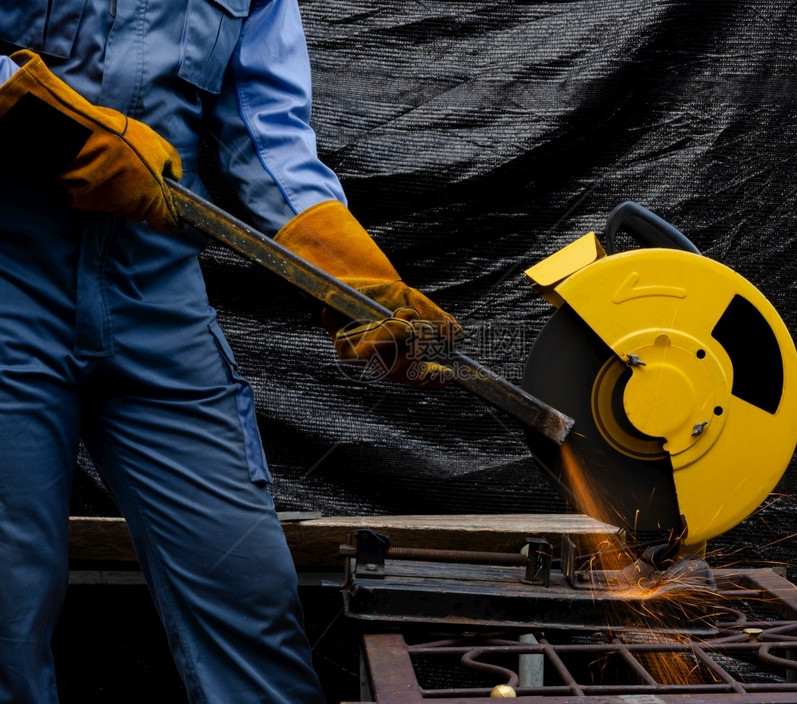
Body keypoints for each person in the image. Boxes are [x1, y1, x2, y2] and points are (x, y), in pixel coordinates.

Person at [0, 1, 459, 702]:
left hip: (154, 294)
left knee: (244, 590)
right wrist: (56, 131)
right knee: (6, 600)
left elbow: (266, 136)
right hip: (11, 277)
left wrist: (347, 273)